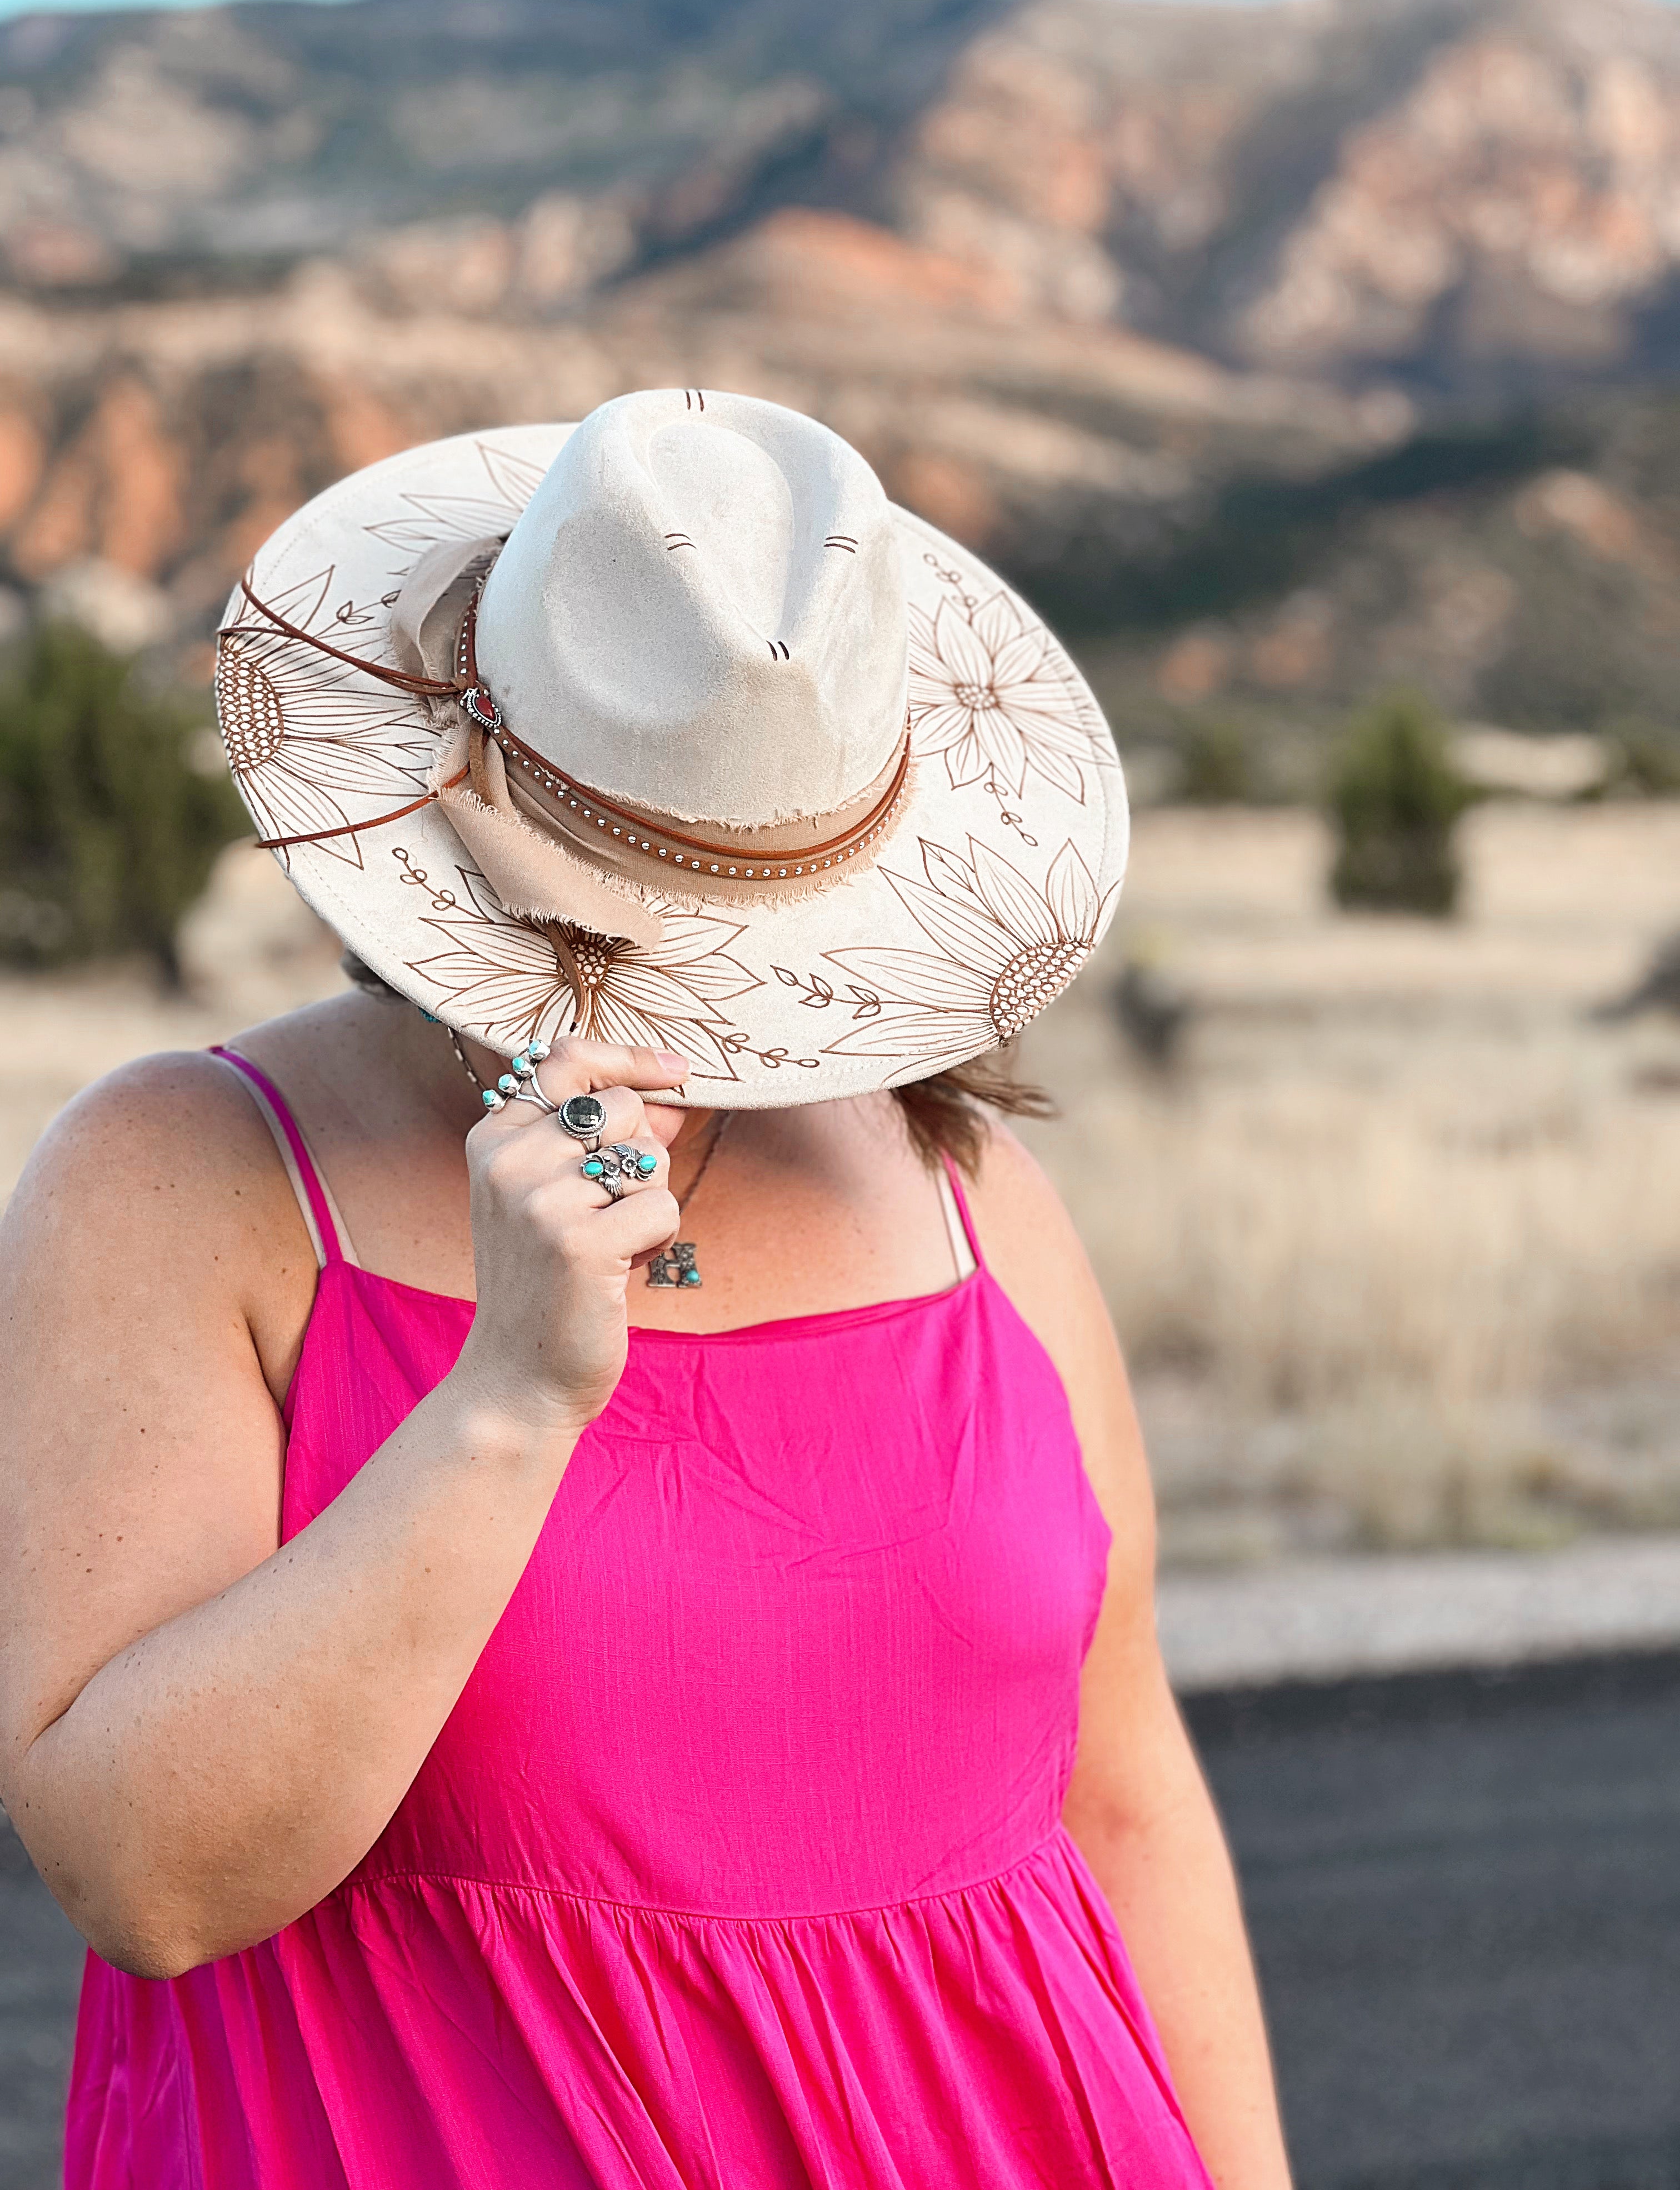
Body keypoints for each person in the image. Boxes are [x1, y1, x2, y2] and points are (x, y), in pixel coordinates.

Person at [0, 390, 1292, 2189]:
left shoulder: (969, 1193)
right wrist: (507, 1405)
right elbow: (143, 1876)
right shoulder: (182, 1183)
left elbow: (1124, 1792)